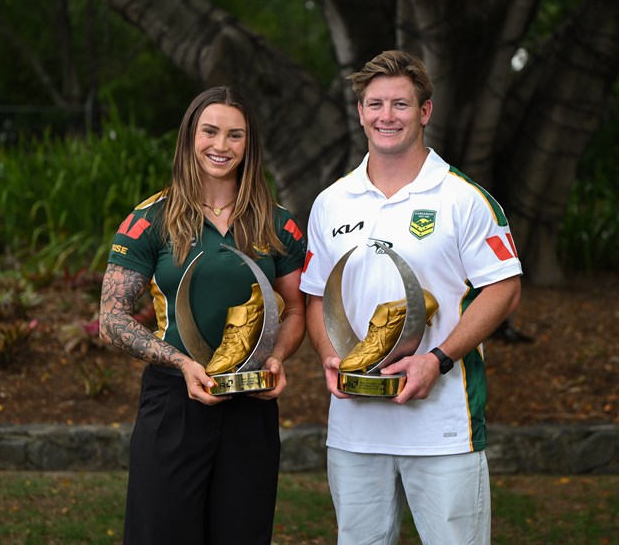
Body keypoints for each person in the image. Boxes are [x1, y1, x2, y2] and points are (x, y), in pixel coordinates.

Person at [300, 50, 522, 544]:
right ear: (360, 112)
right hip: (354, 431)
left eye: (400, 104)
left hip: (442, 429)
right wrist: (330, 355)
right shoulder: (332, 200)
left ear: (425, 112)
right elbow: (315, 296)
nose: (386, 116)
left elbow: (504, 289)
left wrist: (437, 360)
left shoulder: (462, 198)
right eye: (374, 104)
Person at [99, 86, 307, 544]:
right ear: (189, 137)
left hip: (252, 402)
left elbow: (296, 308)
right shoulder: (149, 219)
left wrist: (278, 358)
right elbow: (111, 320)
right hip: (175, 400)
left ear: (249, 144)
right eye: (210, 131)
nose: (221, 145)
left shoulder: (278, 222)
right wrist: (182, 364)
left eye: (236, 135)